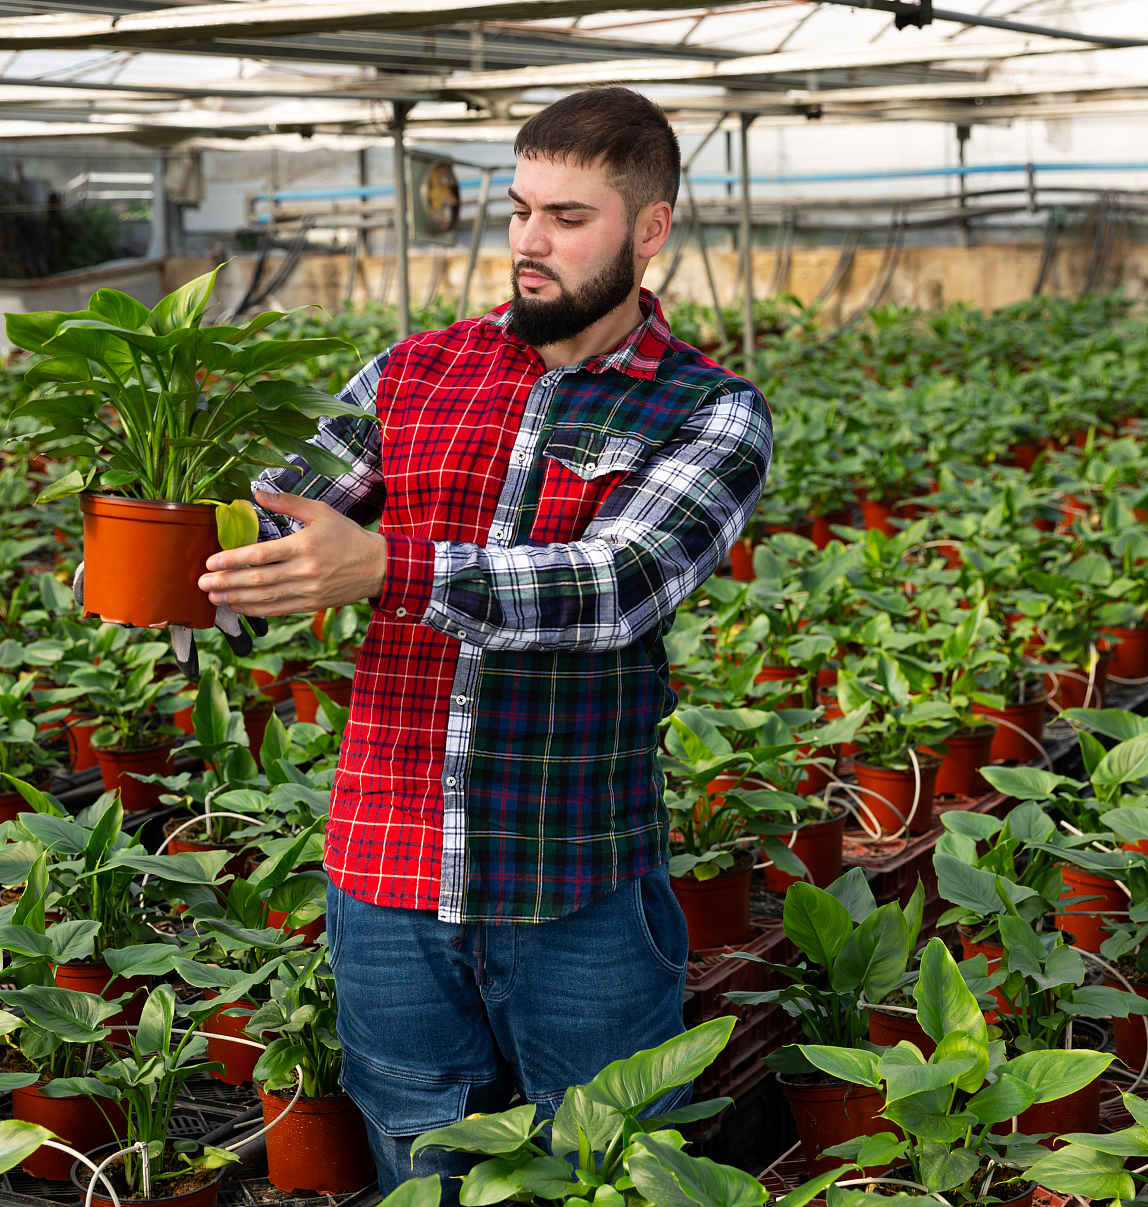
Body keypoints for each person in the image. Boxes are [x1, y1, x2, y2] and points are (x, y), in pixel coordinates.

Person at [195, 86, 773, 1200]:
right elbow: (289, 517)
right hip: (387, 880)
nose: (527, 243)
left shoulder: (707, 409)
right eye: (516, 211)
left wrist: (391, 565)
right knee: (423, 1170)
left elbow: (620, 584)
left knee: (609, 1170)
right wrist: (182, 547)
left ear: (647, 231)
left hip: (575, 884)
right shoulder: (412, 371)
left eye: (566, 217)